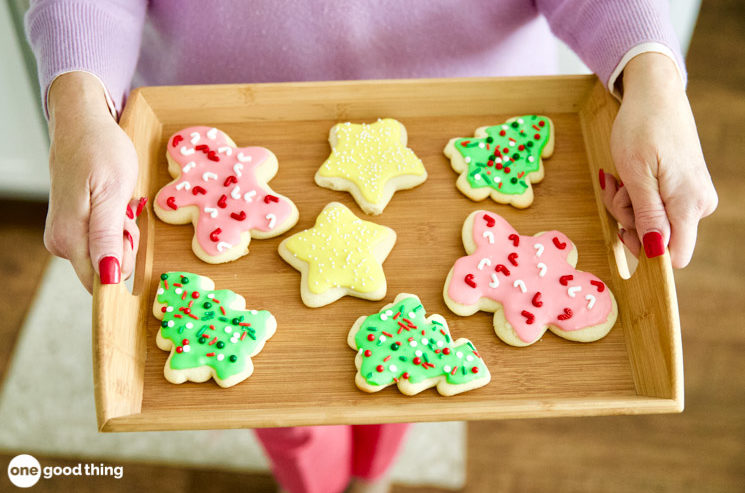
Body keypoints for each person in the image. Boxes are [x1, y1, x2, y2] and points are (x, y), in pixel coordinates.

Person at [24, 2, 718, 493]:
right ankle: (310, 484)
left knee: (404, 379)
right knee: (282, 408)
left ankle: (373, 473)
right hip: (218, 117)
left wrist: (651, 73)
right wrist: (80, 107)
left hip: (473, 124)